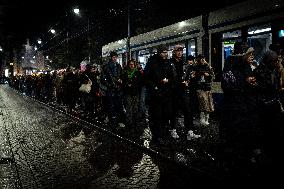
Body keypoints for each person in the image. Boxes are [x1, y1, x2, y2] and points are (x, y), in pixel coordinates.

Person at [144, 44, 177, 144]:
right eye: (163, 52)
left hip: (167, 94)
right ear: (159, 53)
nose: (165, 54)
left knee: (167, 114)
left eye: (166, 52)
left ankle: (163, 133)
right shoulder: (152, 62)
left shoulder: (169, 63)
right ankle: (157, 136)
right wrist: (155, 86)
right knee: (157, 116)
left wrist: (169, 81)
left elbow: (173, 77)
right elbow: (146, 77)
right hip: (156, 95)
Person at [100, 51, 125, 129]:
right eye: (113, 57)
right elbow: (103, 79)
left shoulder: (118, 66)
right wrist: (110, 85)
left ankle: (118, 121)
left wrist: (121, 80)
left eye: (116, 57)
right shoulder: (105, 66)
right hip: (110, 90)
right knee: (111, 106)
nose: (115, 59)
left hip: (118, 89)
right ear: (111, 57)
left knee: (118, 106)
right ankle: (113, 122)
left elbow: (122, 75)